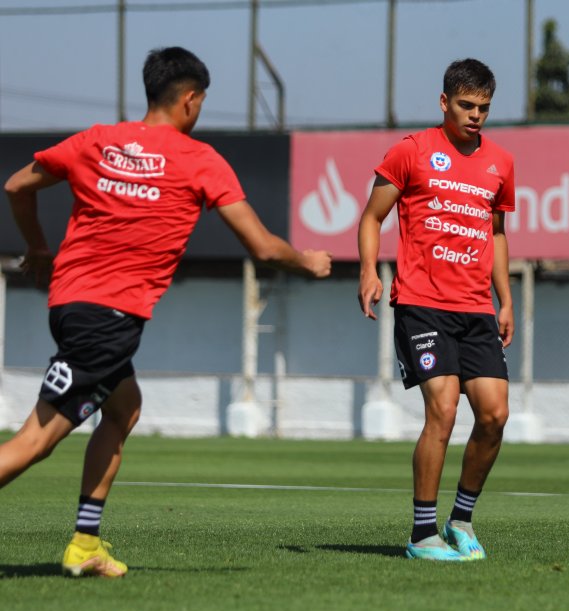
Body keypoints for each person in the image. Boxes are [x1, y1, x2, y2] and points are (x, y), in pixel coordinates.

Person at [1, 46, 332, 578]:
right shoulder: (198, 160)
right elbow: (265, 248)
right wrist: (309, 262)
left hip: (69, 303)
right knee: (34, 442)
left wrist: (40, 249)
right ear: (190, 99)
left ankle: (85, 544)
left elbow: (17, 185)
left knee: (124, 407)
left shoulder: (97, 141)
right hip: (108, 320)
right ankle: (84, 543)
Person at [357, 58, 515, 561]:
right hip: (421, 304)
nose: (475, 116)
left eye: (484, 108)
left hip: (475, 309)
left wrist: (505, 299)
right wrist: (367, 270)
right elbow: (371, 217)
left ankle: (460, 521)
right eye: (466, 105)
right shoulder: (412, 152)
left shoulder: (500, 164)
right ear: (444, 102)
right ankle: (423, 534)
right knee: (443, 410)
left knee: (494, 415)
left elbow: (495, 234)